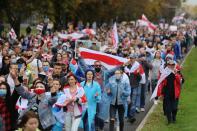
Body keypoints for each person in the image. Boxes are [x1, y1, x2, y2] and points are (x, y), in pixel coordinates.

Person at [157, 60, 182, 125]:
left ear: (174, 65)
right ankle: (169, 121)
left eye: (172, 65)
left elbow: (180, 81)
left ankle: (174, 118)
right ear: (167, 65)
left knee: (174, 108)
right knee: (168, 108)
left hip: (175, 93)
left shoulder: (177, 72)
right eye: (170, 65)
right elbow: (161, 83)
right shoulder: (164, 72)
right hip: (167, 93)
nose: (171, 66)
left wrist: (176, 74)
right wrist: (161, 93)